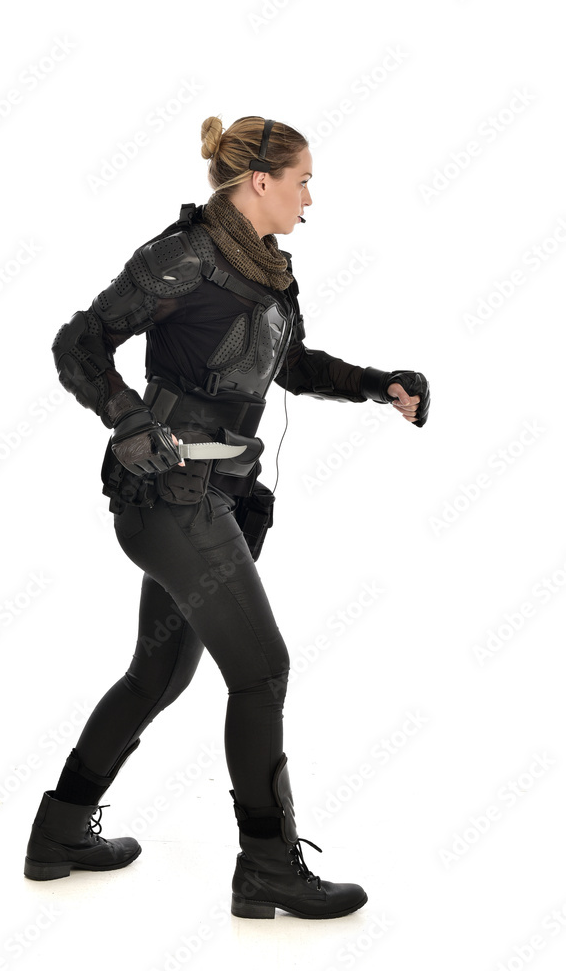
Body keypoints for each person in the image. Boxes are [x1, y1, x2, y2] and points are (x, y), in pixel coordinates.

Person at [23, 115, 430, 920]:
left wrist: (379, 383)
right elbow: (80, 343)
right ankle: (269, 866)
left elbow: (296, 366)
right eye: (303, 179)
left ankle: (58, 832)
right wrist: (130, 420)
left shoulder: (272, 272)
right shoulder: (184, 256)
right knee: (263, 670)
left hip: (219, 499)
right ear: (259, 183)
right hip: (166, 498)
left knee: (157, 676)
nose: (310, 197)